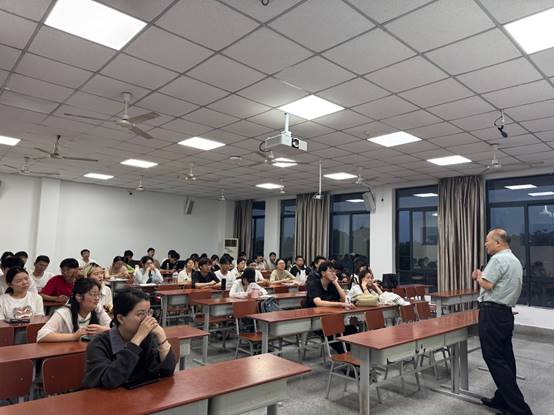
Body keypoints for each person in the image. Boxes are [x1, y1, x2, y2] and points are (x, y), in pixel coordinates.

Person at [472, 229, 533, 415]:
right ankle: (503, 399)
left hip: (492, 314)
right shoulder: (514, 260)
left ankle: (519, 409)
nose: (485, 244)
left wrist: (478, 276)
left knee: (494, 359)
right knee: (506, 357)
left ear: (498, 242)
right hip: (505, 314)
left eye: (488, 241)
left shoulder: (498, 259)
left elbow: (487, 284)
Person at [83, 288, 176, 389]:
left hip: (137, 396)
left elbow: (167, 371)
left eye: (148, 313)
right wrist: (137, 338)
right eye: (140, 314)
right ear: (121, 318)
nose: (147, 319)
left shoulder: (148, 338)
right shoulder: (99, 343)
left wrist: (161, 336)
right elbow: (110, 380)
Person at [37, 278, 111, 342]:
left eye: (98, 295)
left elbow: (114, 329)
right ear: (78, 297)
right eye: (93, 295)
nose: (97, 298)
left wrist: (103, 330)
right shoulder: (64, 313)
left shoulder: (98, 309)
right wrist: (73, 336)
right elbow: (42, 335)